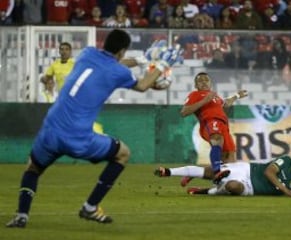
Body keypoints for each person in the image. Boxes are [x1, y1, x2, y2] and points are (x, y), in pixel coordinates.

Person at [6, 29, 183, 228]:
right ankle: (90, 206)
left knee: (33, 168)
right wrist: (161, 65)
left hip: (51, 128)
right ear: (123, 51)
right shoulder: (119, 72)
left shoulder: (87, 54)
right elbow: (142, 86)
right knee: (123, 154)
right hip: (77, 137)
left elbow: (110, 66)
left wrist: (142, 60)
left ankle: (22, 215)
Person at [155, 72, 248, 185]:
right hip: (209, 122)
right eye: (200, 80)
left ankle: (194, 173)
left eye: (206, 80)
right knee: (217, 140)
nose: (204, 82)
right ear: (196, 85)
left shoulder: (215, 96)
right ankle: (217, 172)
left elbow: (226, 103)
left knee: (229, 161)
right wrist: (205, 100)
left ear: (210, 83)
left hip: (224, 126)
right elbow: (184, 112)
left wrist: (237, 96)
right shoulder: (195, 95)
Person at [155, 151, 291, 197]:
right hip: (248, 169)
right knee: (210, 171)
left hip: (250, 188)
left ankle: (208, 190)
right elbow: (270, 172)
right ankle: (169, 171)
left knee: (233, 187)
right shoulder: (286, 161)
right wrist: (284, 189)